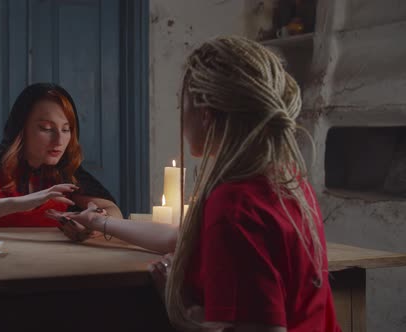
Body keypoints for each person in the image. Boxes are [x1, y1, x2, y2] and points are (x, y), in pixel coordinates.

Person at [48, 37, 341, 331]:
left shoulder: (235, 207)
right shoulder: (284, 179)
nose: (181, 113)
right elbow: (178, 238)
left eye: (181, 103)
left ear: (205, 114)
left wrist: (182, 313)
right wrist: (99, 223)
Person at [0, 83, 121, 231]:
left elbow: (114, 212)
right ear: (21, 130)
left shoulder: (65, 172)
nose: (59, 140)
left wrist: (92, 225)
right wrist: (19, 203)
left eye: (66, 129)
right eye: (46, 128)